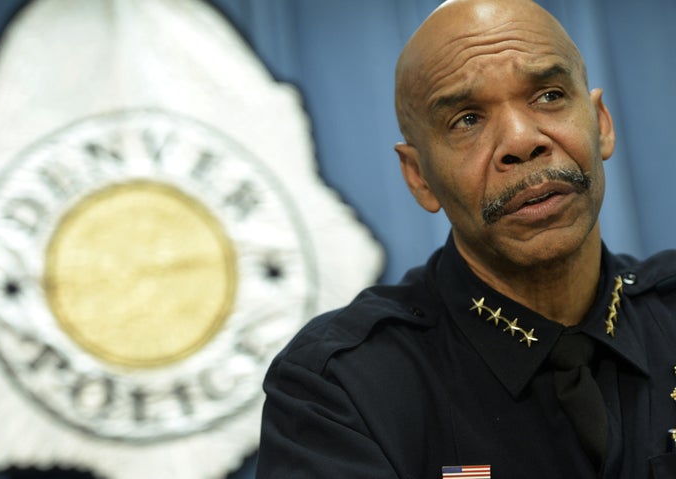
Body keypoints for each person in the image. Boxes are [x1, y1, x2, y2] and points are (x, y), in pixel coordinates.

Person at [255, 0, 676, 477]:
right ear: (419, 178)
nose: (521, 141)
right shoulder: (339, 390)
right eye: (467, 120)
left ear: (600, 123)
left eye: (549, 95)